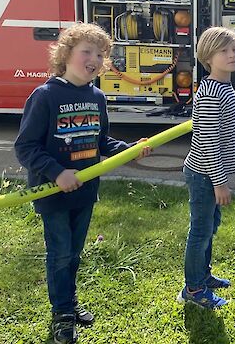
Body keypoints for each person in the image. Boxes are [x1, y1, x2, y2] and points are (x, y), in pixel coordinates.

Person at [14, 23, 152, 344]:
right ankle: (62, 312)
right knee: (60, 253)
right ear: (66, 55)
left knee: (74, 254)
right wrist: (57, 172)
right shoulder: (46, 96)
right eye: (86, 51)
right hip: (53, 193)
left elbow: (101, 140)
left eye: (101, 54)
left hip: (86, 192)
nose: (94, 58)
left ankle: (69, 302)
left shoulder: (97, 97)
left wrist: (128, 150)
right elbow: (25, 147)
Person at [178, 27, 235, 308]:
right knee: (200, 231)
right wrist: (219, 182)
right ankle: (193, 289)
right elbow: (209, 142)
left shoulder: (223, 88)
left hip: (209, 173)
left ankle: (203, 275)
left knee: (209, 226)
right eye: (224, 50)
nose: (232, 55)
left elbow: (216, 128)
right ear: (207, 57)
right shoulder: (213, 92)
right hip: (204, 173)